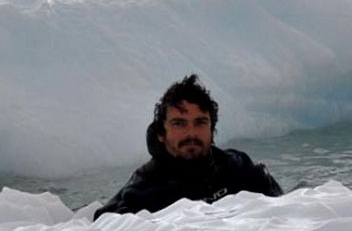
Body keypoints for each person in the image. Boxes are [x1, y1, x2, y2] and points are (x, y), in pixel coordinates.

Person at [93, 74, 283, 220]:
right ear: (161, 133)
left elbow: (288, 213)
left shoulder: (239, 168)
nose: (191, 133)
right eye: (179, 123)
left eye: (200, 122)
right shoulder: (142, 191)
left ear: (212, 129)